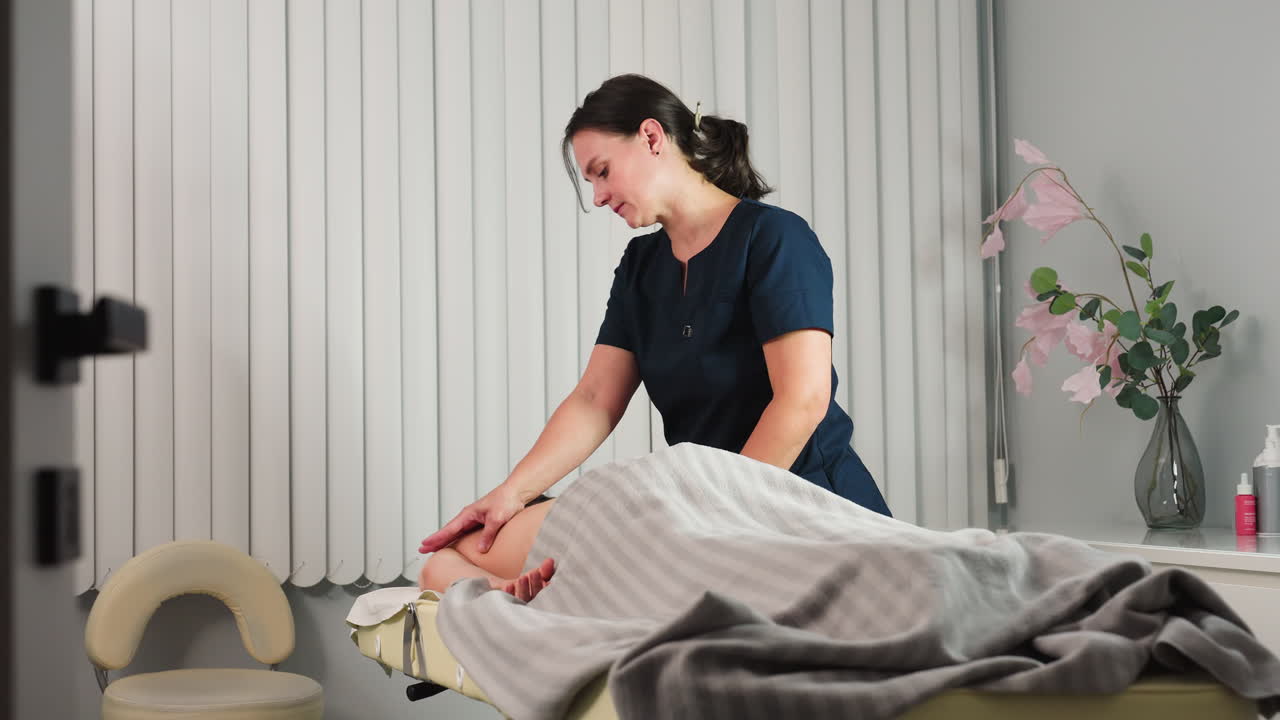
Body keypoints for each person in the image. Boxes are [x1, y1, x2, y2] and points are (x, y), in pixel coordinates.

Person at [418, 73, 890, 600]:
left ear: (651, 136)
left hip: (791, 503)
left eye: (602, 172)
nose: (598, 197)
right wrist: (511, 494)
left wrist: (715, 521)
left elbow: (802, 401)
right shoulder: (641, 265)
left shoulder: (774, 238)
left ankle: (560, 595)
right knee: (448, 559)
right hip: (688, 510)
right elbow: (595, 400)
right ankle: (527, 597)